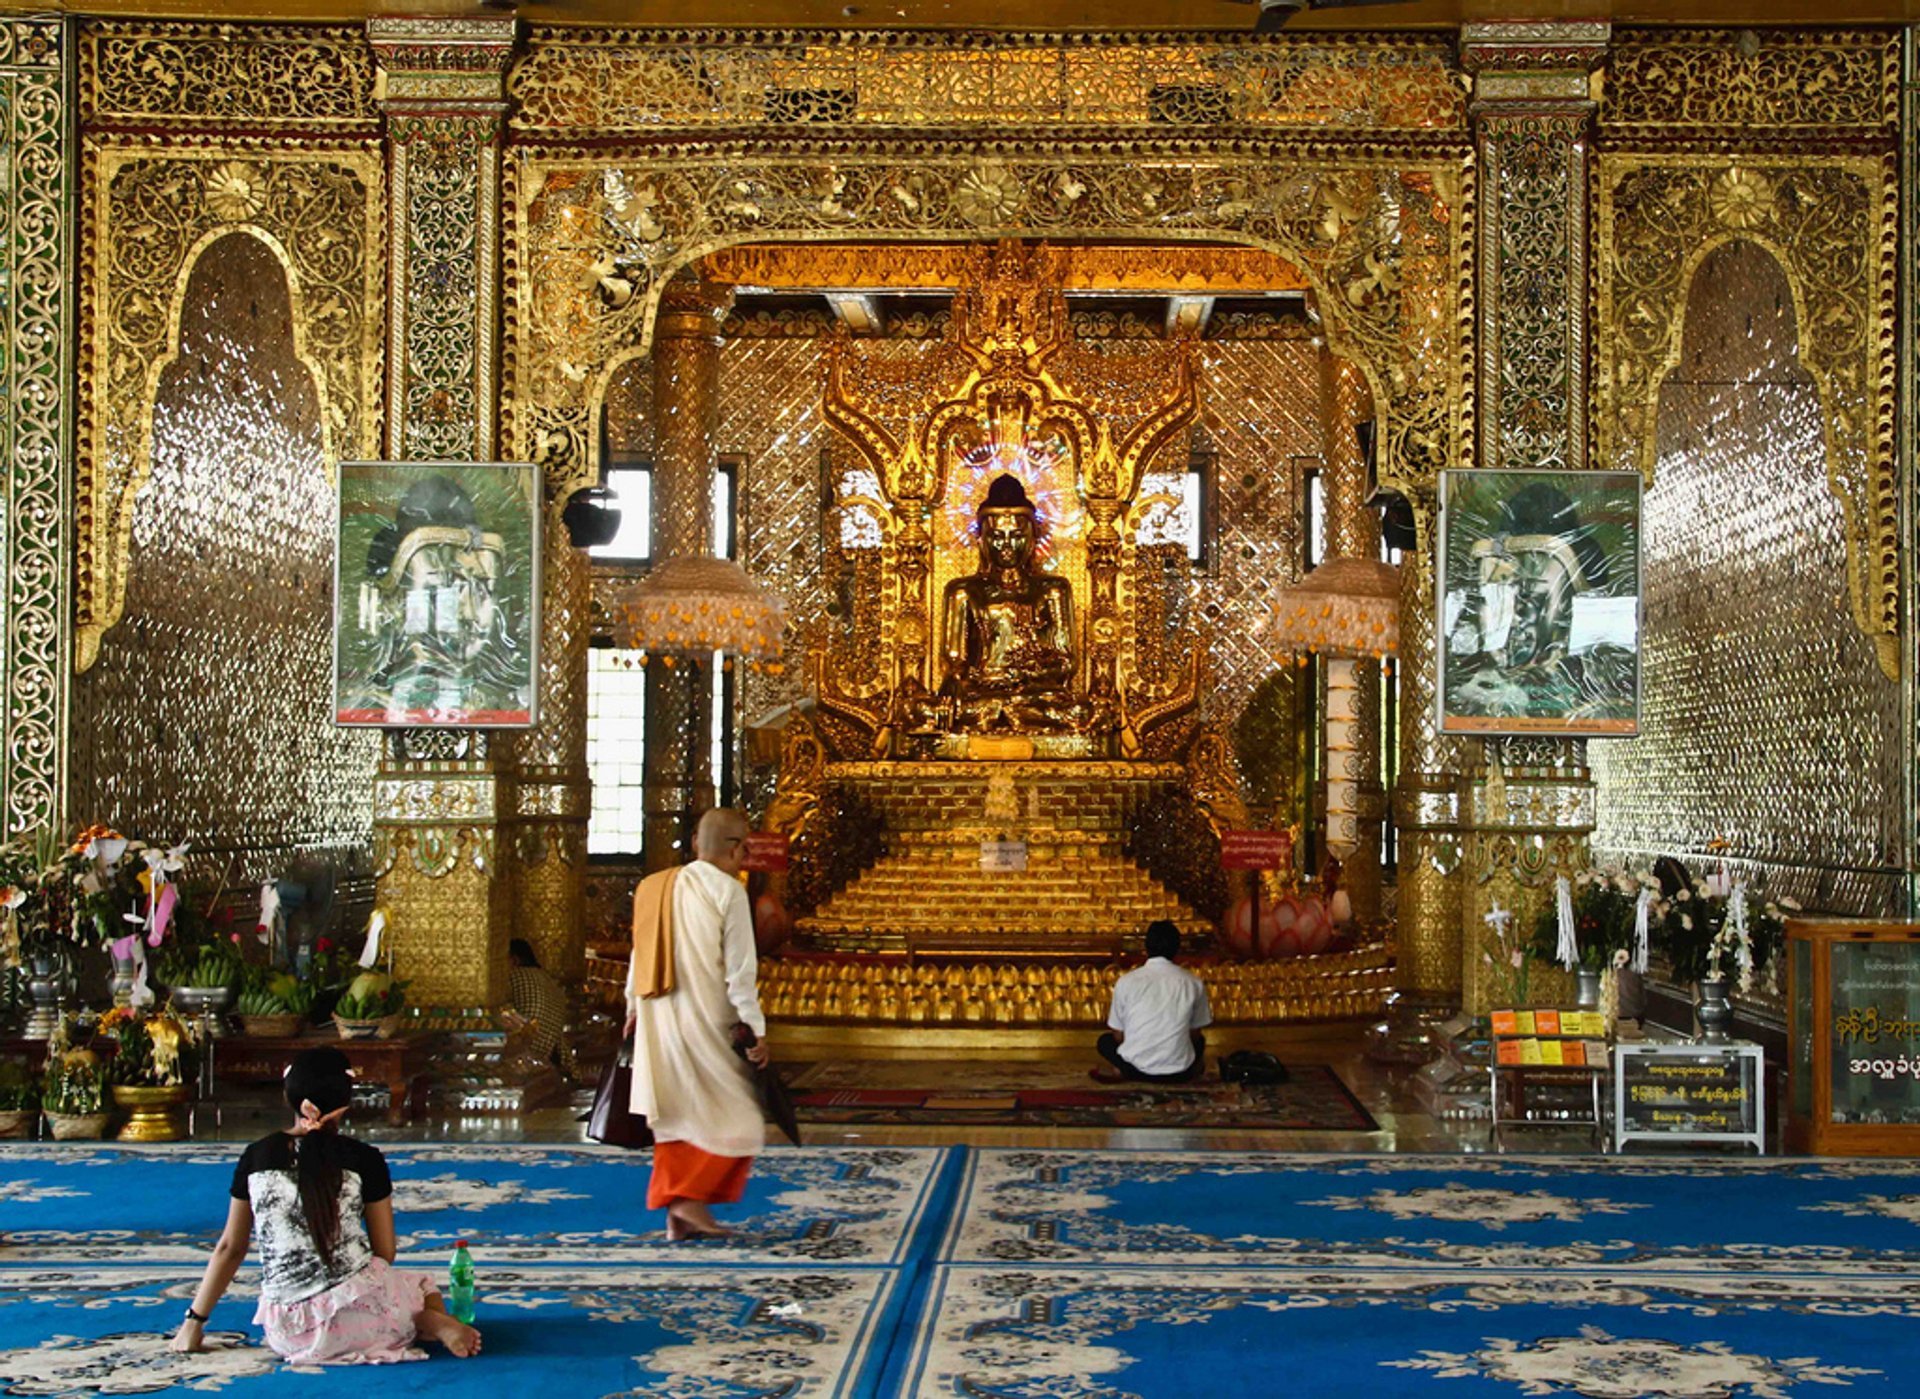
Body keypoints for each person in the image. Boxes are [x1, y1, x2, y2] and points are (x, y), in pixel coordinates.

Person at [169, 1047, 480, 1364]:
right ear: (346, 1104)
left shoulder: (256, 1156)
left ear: (288, 1097)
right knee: (422, 1285)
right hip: (371, 1322)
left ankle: (404, 1320)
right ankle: (428, 1322)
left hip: (290, 1335)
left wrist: (193, 1323)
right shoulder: (364, 1158)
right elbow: (384, 1252)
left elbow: (230, 1248)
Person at [624, 807, 771, 1241]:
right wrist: (754, 1028)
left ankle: (681, 1210)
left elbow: (639, 954)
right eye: (745, 845)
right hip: (707, 1016)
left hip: (656, 1013)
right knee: (740, 1119)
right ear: (738, 849)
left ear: (694, 844)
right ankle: (688, 1201)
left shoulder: (655, 886)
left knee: (676, 1108)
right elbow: (741, 972)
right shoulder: (727, 891)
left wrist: (632, 1009)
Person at [1094, 920, 1211, 1083]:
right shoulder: (1193, 982)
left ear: (1146, 948)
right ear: (1177, 948)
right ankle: (1190, 1068)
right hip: (1180, 1072)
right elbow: (1195, 1034)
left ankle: (1122, 1068)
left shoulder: (1127, 981)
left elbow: (1118, 1035)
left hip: (1134, 1070)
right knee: (1200, 1042)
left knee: (1105, 1041)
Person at [507, 937, 568, 1065]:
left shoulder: (514, 975)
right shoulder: (548, 978)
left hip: (526, 1051)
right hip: (548, 1052)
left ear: (514, 960)